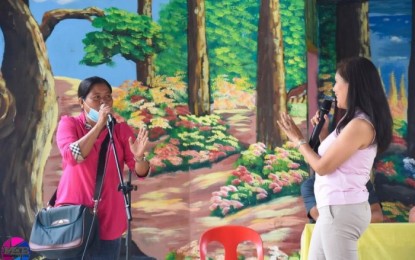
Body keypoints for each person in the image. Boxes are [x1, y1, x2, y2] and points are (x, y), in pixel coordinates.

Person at [277, 56, 393, 260]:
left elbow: (322, 167)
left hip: (341, 210)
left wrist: (297, 139)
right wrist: (322, 134)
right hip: (335, 209)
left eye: (338, 82)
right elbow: (335, 160)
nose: (334, 89)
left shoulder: (360, 125)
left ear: (353, 86)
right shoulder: (353, 122)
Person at [55, 76, 150, 259]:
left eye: (107, 97)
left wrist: (139, 157)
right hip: (74, 215)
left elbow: (141, 171)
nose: (103, 102)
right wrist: (99, 125)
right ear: (81, 102)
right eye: (96, 97)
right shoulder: (69, 124)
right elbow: (72, 156)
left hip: (109, 217)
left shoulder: (121, 130)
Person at [301, 175, 384, 223]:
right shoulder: (310, 185)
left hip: (363, 239)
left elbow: (377, 216)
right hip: (328, 240)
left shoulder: (362, 181)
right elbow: (322, 219)